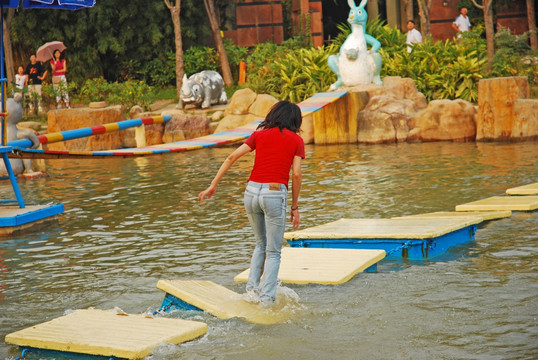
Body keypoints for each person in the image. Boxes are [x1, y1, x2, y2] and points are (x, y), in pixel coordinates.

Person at [198, 100, 305, 306]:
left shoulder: (259, 135)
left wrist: (213, 185)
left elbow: (231, 157)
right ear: (295, 120)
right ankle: (266, 300)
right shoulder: (296, 140)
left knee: (260, 244)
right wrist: (294, 207)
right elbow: (297, 175)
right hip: (274, 193)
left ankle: (251, 292)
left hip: (251, 192)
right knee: (274, 252)